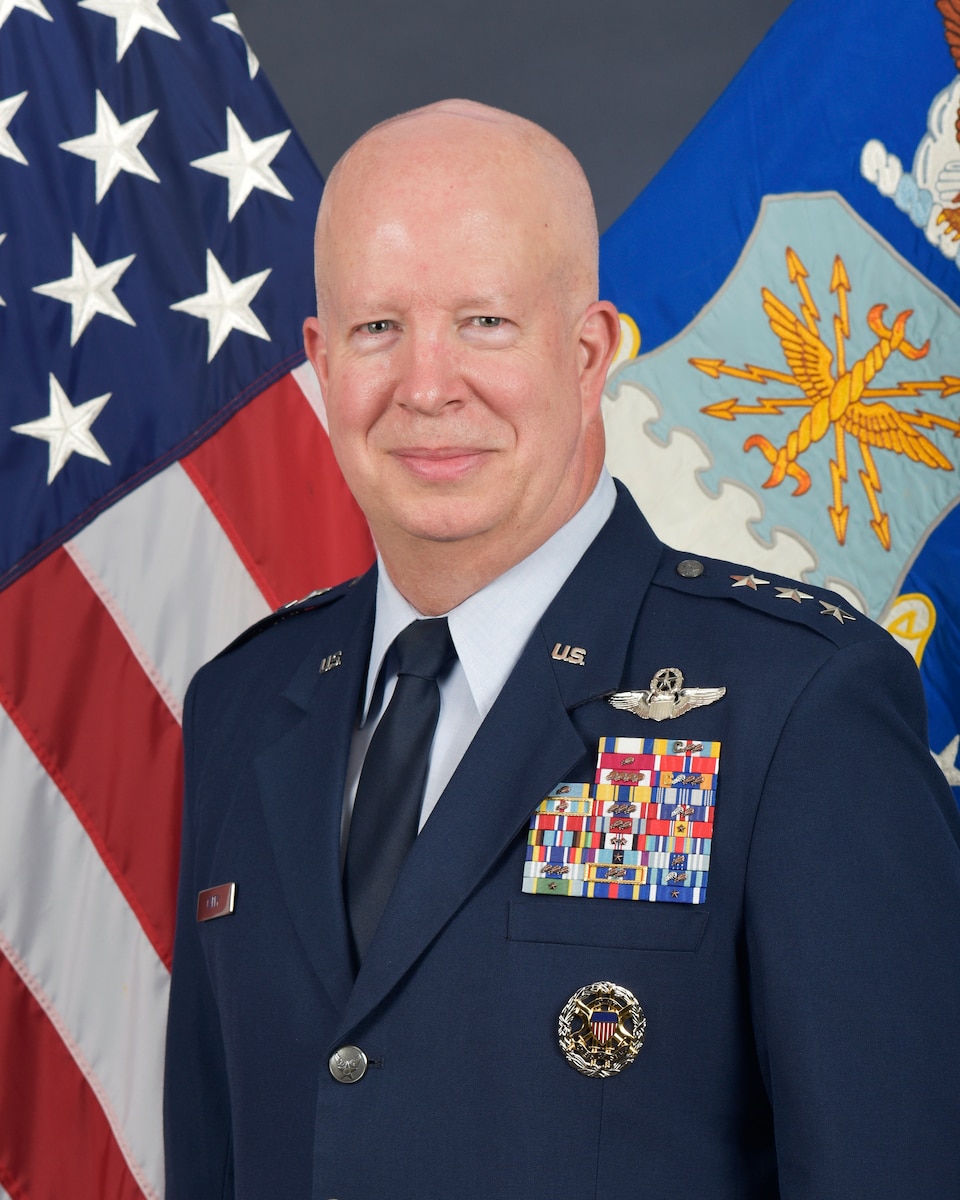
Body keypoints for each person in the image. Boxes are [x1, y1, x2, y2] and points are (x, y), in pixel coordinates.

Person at [163, 100, 960, 1200]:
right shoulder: (244, 704)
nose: (428, 385)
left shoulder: (799, 707)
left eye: (485, 322)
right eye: (377, 328)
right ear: (320, 361)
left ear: (588, 355)